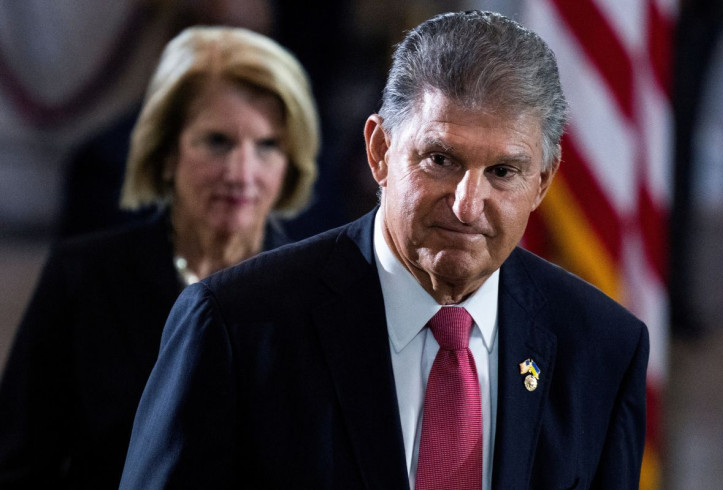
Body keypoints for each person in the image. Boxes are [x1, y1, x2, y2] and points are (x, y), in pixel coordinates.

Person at [120, 11, 648, 490]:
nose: (467, 204)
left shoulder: (602, 348)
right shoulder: (236, 327)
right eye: (440, 159)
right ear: (379, 152)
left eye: (502, 172)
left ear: (541, 182)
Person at [0, 26, 319, 489]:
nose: (242, 173)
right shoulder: (83, 279)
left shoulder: (320, 292)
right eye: (217, 142)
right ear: (167, 152)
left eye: (268, 145)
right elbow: (19, 465)